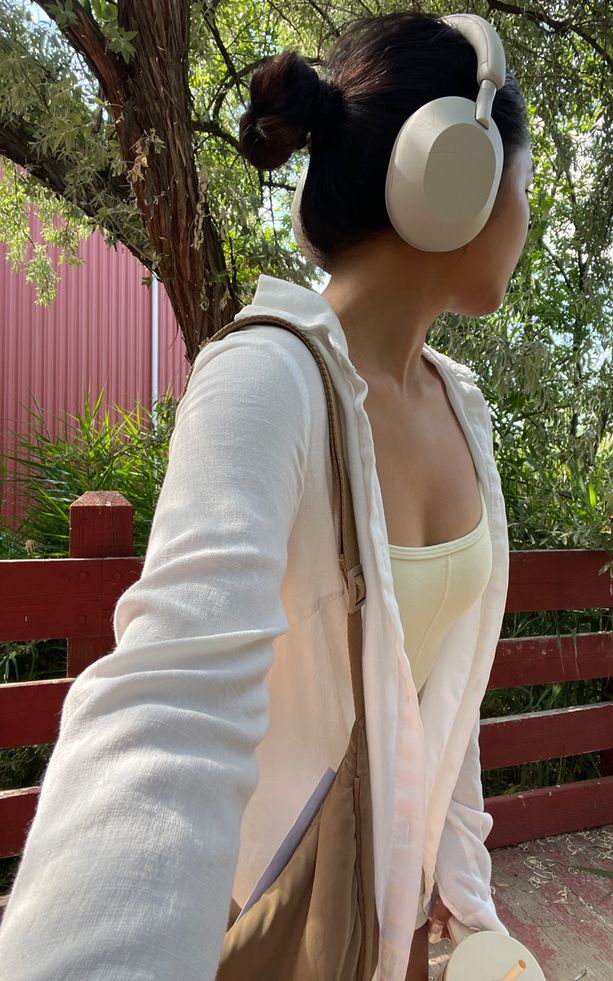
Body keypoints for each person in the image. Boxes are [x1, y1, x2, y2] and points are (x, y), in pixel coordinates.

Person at [0, 10, 533, 981]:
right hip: (274, 915)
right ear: (457, 177)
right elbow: (168, 707)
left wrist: (468, 908)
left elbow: (446, 706)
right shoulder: (263, 380)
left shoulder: (463, 407)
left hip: (400, 919)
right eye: (523, 186)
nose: (527, 220)